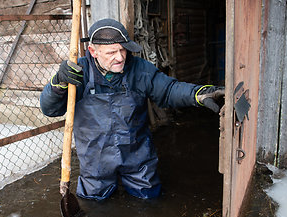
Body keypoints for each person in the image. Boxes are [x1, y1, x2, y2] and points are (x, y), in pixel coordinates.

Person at [40, 18, 223, 201]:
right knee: (95, 204)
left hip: (136, 154)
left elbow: (168, 90)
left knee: (150, 199)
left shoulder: (138, 69)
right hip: (96, 158)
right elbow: (50, 109)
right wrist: (58, 83)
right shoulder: (79, 72)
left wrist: (197, 95)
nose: (120, 57)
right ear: (93, 51)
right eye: (112, 52)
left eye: (122, 49)